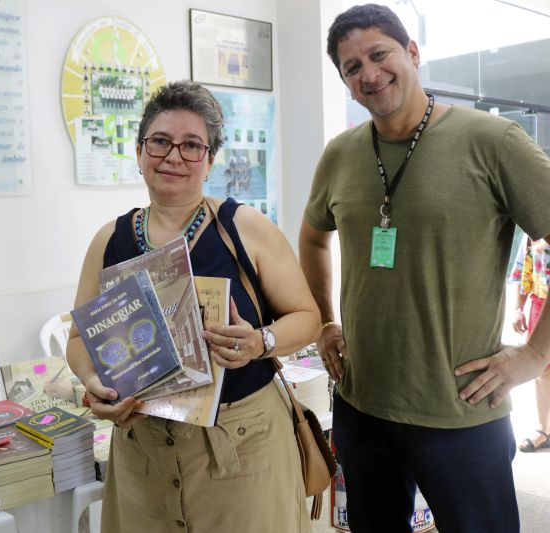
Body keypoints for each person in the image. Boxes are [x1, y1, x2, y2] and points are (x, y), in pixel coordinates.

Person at [299, 4, 550, 533]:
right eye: (351, 67)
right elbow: (313, 237)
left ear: (413, 53)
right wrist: (324, 320)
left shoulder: (493, 141)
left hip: (461, 413)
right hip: (362, 406)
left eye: (378, 54)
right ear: (345, 84)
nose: (368, 73)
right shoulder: (340, 154)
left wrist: (535, 353)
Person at [66, 80, 321, 532]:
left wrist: (261, 341)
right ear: (140, 151)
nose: (173, 157)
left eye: (191, 146)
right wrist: (93, 383)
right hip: (144, 453)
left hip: (243, 448)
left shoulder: (244, 227)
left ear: (210, 159)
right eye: (160, 142)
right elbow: (79, 338)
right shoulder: (110, 240)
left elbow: (308, 318)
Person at [510, 234, 550, 452]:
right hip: (540, 304)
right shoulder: (533, 225)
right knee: (542, 368)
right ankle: (544, 430)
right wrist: (518, 308)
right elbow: (521, 269)